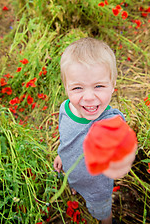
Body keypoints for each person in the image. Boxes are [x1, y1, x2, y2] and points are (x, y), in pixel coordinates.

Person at [54, 37, 136, 224]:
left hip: (96, 187)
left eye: (99, 86)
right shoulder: (65, 108)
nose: (89, 97)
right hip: (71, 170)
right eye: (77, 88)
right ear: (66, 88)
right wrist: (61, 154)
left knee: (100, 210)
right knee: (74, 181)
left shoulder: (110, 121)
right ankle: (76, 186)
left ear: (113, 85)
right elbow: (67, 136)